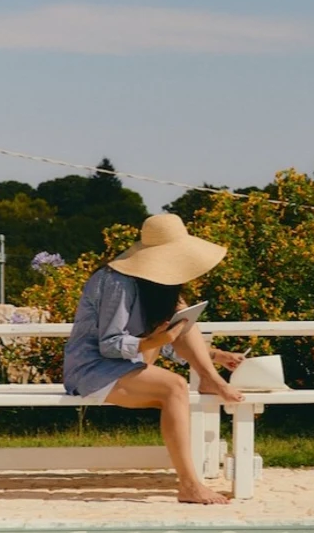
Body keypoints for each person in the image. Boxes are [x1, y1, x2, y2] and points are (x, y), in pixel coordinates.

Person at [63, 213, 245, 505]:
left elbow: (167, 340)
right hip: (91, 369)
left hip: (128, 364)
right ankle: (189, 485)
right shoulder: (116, 282)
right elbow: (110, 345)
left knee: (184, 316)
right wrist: (154, 342)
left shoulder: (157, 285)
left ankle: (211, 377)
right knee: (174, 386)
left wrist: (214, 355)